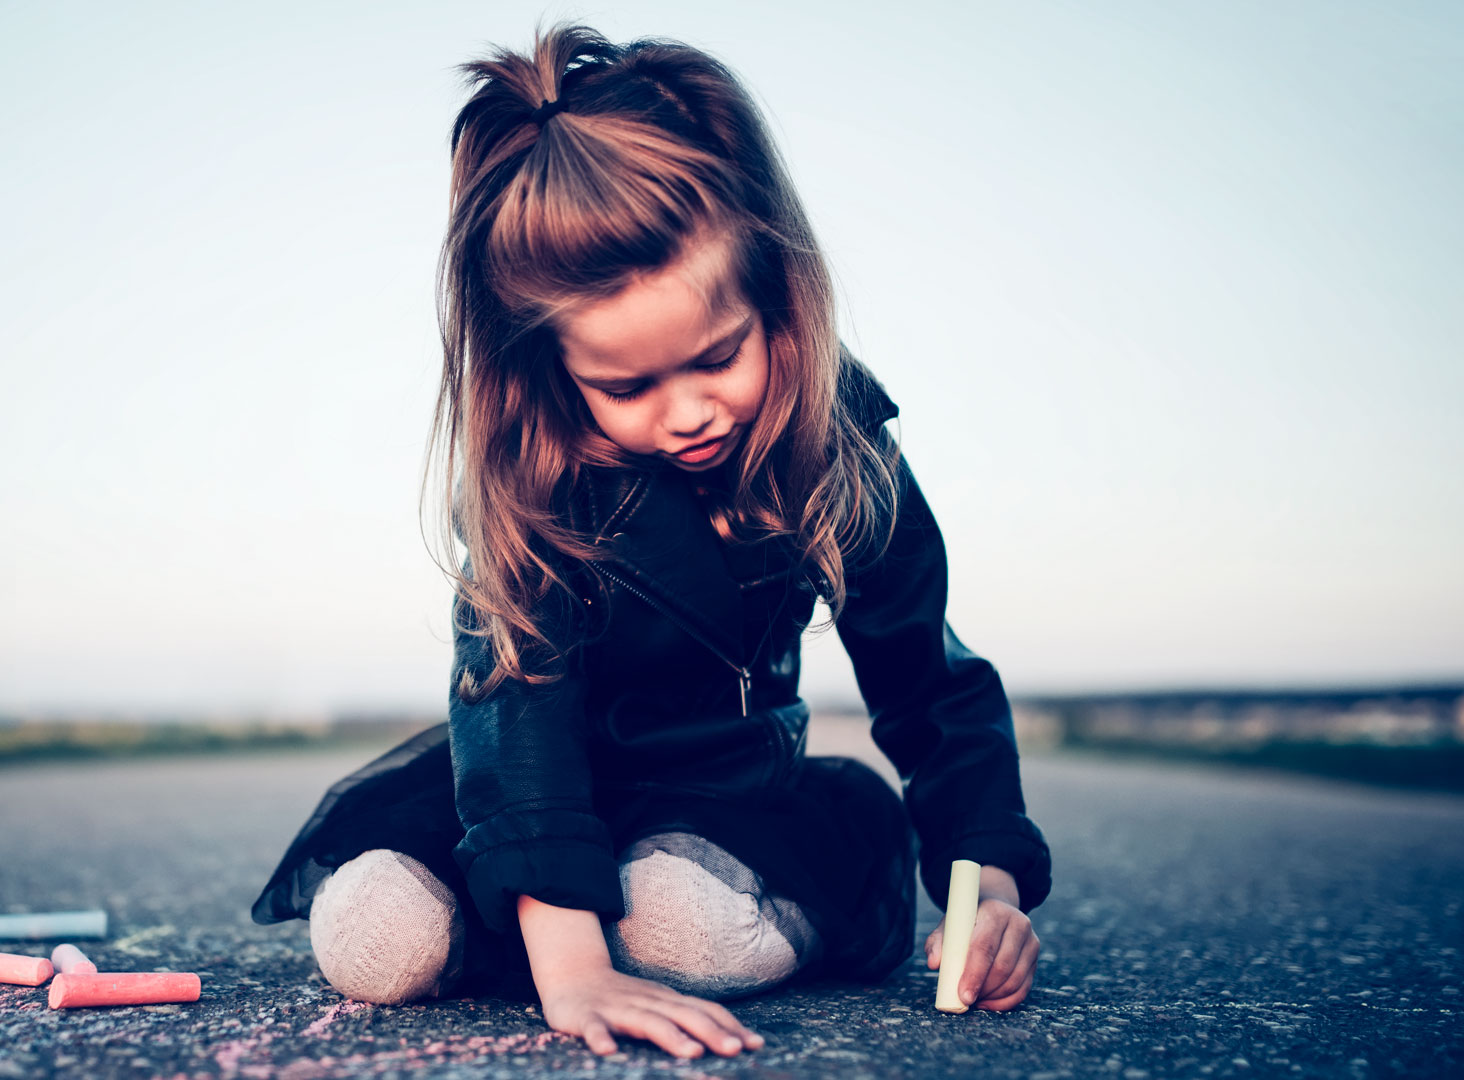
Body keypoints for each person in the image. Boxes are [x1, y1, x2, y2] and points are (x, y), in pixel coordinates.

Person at [251, 21, 1050, 1059]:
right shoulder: (537, 479)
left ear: (778, 299)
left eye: (715, 358)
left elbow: (927, 684)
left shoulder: (840, 450)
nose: (686, 414)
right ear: (549, 371)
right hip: (555, 793)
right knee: (375, 937)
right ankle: (545, 924)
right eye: (627, 386)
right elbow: (517, 709)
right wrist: (573, 974)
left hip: (730, 797)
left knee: (679, 920)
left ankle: (674, 915)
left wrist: (982, 882)